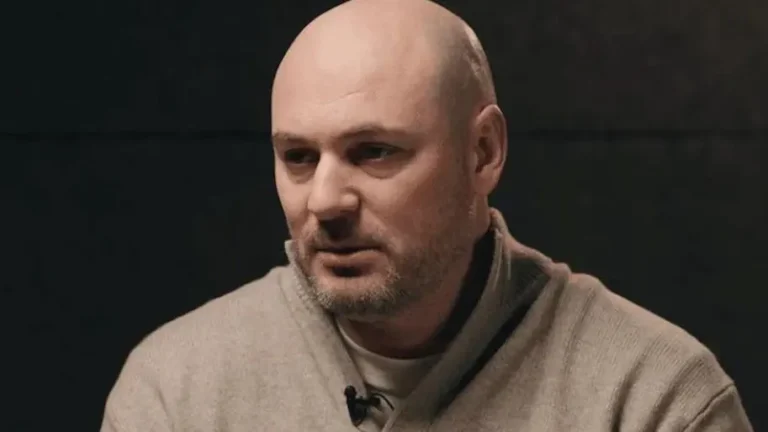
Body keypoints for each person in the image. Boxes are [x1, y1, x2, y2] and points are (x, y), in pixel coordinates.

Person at [101, 0, 754, 431]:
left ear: (483, 152)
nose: (324, 201)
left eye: (374, 151)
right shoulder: (178, 391)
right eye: (298, 157)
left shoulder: (652, 398)